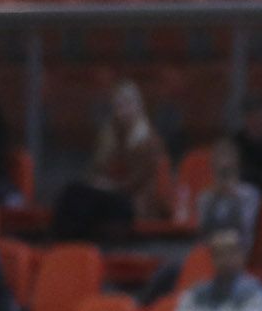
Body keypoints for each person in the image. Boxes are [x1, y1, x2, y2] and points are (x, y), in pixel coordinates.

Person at [53, 80, 172, 242]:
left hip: (133, 201)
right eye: (119, 105)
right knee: (73, 192)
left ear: (138, 106)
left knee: (84, 199)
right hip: (111, 194)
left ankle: (69, 242)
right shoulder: (111, 136)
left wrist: (110, 186)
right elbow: (96, 170)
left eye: (127, 104)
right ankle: (64, 244)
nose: (123, 110)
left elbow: (138, 181)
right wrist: (100, 181)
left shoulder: (149, 140)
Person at [188, 136, 262, 243]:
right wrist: (215, 196)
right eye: (220, 155)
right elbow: (201, 229)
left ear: (237, 161)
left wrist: (232, 195)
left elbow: (245, 228)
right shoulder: (205, 197)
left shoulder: (250, 194)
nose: (224, 161)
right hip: (209, 247)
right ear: (213, 164)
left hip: (237, 248)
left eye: (228, 155)